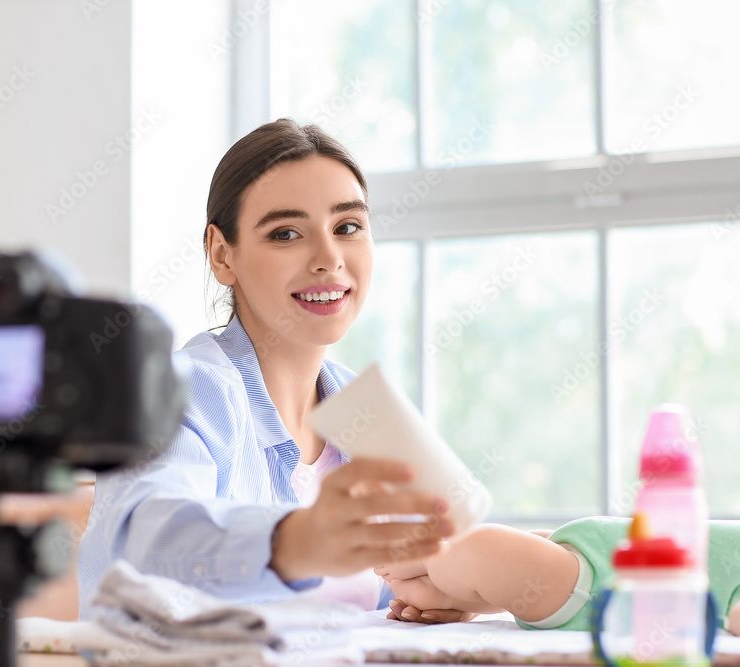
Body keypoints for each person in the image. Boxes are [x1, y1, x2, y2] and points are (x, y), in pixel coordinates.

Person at [77, 119, 458, 618]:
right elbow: (147, 540)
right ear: (221, 254)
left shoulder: (370, 410)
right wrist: (293, 542)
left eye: (347, 227)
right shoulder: (178, 392)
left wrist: (439, 592)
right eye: (286, 233)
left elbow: (421, 569)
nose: (329, 259)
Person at [376, 509, 740, 640]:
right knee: (510, 563)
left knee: (484, 547)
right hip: (590, 550)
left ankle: (411, 556)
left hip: (586, 586)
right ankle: (453, 595)